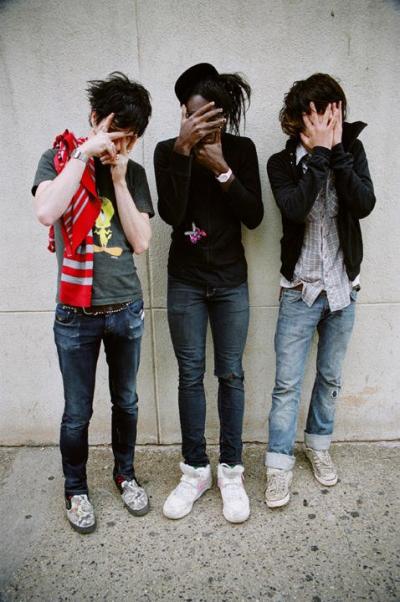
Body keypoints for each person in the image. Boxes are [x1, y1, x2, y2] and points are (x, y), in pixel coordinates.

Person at [32, 72, 154, 533]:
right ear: (95, 119)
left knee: (127, 402)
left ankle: (125, 475)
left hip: (125, 309)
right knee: (77, 411)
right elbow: (46, 211)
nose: (120, 144)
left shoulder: (133, 174)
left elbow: (141, 242)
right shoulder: (58, 159)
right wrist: (84, 155)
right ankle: (75, 488)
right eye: (115, 132)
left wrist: (119, 180)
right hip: (75, 315)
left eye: (131, 137)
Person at [154, 63, 263, 523]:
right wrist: (183, 151)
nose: (203, 126)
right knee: (190, 375)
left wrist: (222, 169)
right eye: (194, 117)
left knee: (231, 374)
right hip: (186, 281)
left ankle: (231, 471)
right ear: (184, 113)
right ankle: (195, 469)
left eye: (211, 118)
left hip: (230, 281)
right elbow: (172, 214)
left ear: (223, 115)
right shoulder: (167, 151)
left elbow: (254, 216)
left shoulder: (241, 149)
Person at [265, 73, 375, 508]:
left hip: (343, 288)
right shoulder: (281, 163)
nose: (328, 123)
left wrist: (338, 153)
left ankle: (318, 445)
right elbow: (294, 209)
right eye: (318, 116)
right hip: (300, 289)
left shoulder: (354, 152)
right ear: (299, 119)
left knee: (330, 377)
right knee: (286, 384)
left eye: (334, 114)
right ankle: (278, 466)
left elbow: (364, 204)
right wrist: (318, 156)